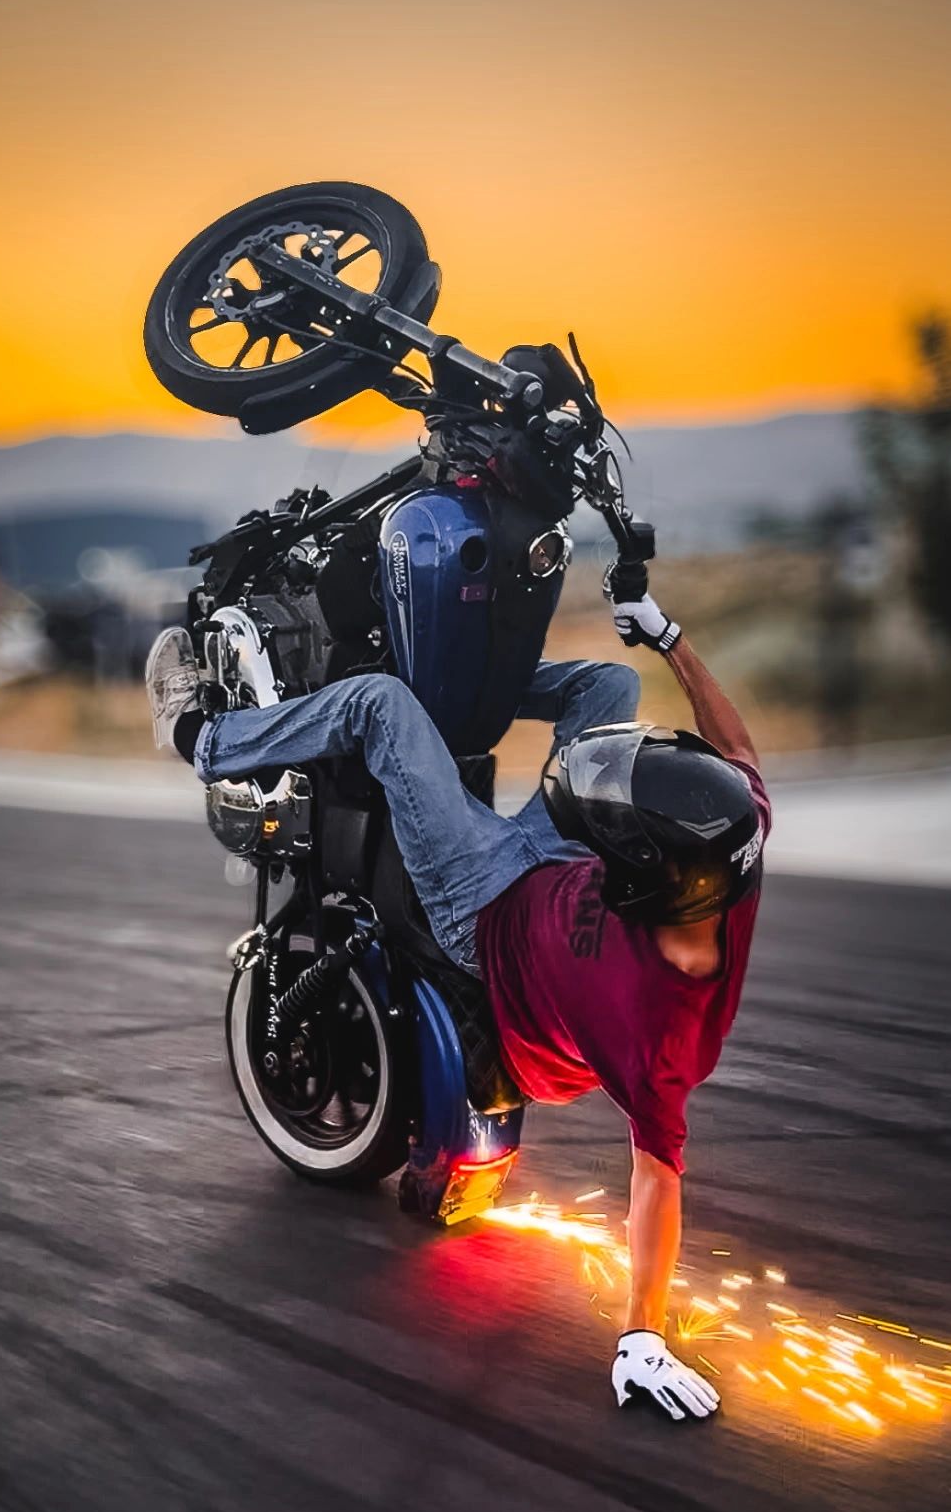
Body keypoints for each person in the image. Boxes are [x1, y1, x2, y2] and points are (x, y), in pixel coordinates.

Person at [146, 579, 768, 1426]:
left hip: (482, 908)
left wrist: (640, 1337)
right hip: (546, 864)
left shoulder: (659, 1040)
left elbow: (658, 1184)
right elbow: (740, 756)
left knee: (378, 705)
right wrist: (668, 637)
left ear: (634, 879)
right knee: (607, 688)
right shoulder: (729, 856)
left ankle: (205, 737)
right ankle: (451, 689)